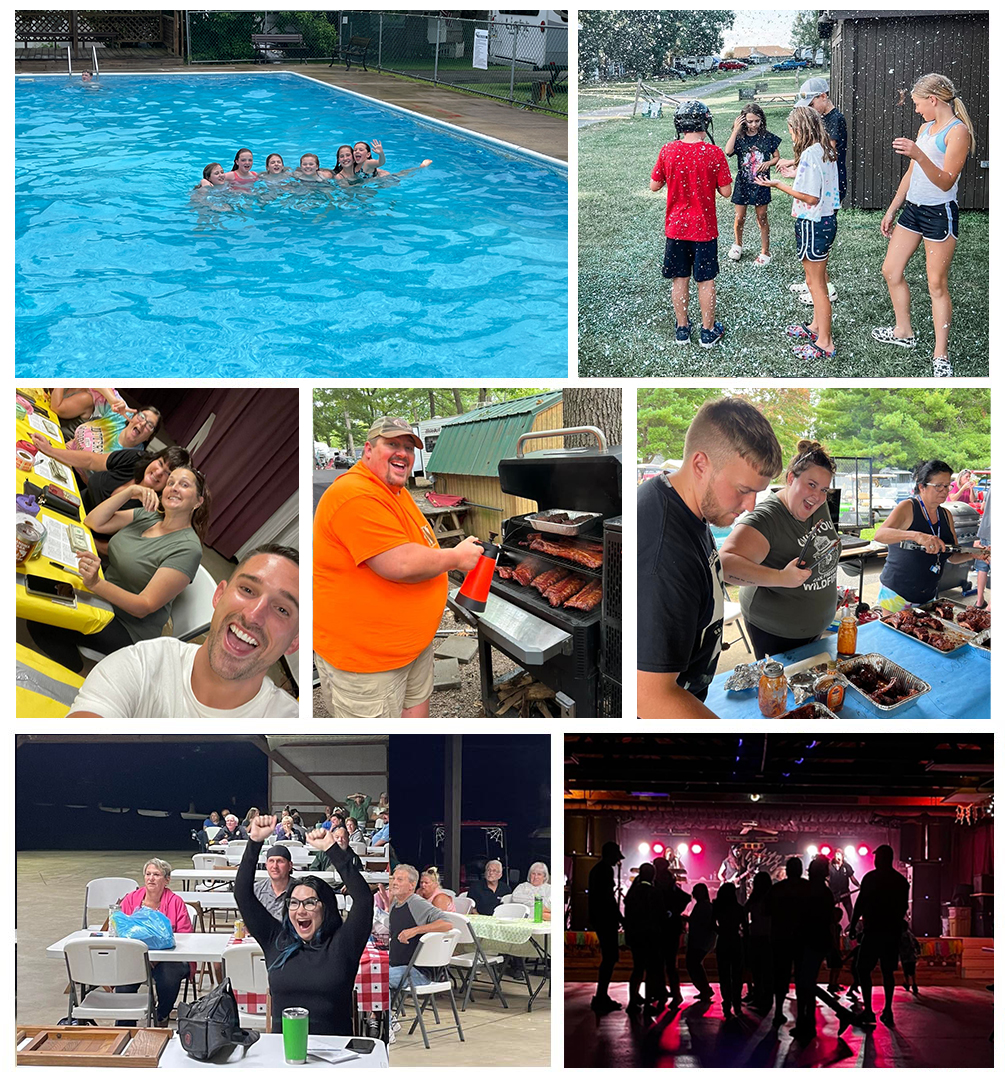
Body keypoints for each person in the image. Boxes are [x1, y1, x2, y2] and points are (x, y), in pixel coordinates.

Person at [314, 416, 483, 717]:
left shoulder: (396, 492)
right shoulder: (353, 494)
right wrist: (456, 557)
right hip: (369, 665)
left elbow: (418, 546)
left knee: (410, 744)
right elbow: (399, 562)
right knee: (378, 754)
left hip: (410, 648)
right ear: (368, 450)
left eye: (408, 447)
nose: (403, 453)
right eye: (392, 444)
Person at [638, 397, 782, 718]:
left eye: (758, 492)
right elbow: (648, 696)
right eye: (744, 489)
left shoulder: (690, 506)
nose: (750, 505)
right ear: (701, 464)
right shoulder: (662, 554)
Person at [67, 545, 300, 718]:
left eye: (282, 609)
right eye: (248, 589)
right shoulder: (142, 665)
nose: (253, 616)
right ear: (219, 595)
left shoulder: (291, 732)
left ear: (295, 640)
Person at [28, 465, 208, 671]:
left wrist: (96, 584)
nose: (174, 488)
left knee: (42, 621)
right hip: (102, 596)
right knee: (40, 591)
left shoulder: (188, 549)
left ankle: (72, 674)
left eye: (184, 485)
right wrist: (130, 491)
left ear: (198, 501)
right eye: (170, 483)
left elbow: (144, 606)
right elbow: (93, 521)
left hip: (128, 627)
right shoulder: (149, 516)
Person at [871, 73, 976, 377]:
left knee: (936, 284)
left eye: (918, 103)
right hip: (913, 211)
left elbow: (945, 182)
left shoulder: (958, 133)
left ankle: (940, 355)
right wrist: (893, 208)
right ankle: (903, 331)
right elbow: (911, 174)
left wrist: (918, 153)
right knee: (890, 270)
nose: (916, 109)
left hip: (939, 213)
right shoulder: (926, 127)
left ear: (933, 100)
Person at [235, 815, 372, 1035]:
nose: (300, 910)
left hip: (335, 1055)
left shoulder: (343, 944)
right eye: (294, 903)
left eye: (310, 903)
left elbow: (364, 900)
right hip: (284, 1052)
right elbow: (242, 894)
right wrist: (254, 843)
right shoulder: (276, 941)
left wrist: (331, 848)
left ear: (325, 907)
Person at [720, 439, 839, 659]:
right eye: (811, 484)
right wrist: (782, 578)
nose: (818, 496)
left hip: (814, 630)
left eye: (824, 489)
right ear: (791, 477)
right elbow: (725, 563)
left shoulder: (818, 506)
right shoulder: (767, 518)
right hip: (775, 633)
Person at [755, 106, 840, 361]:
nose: (790, 134)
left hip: (812, 222)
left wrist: (779, 184)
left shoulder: (812, 154)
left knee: (816, 285)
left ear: (799, 129)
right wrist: (796, 174)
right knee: (816, 281)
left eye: (791, 129)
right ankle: (816, 326)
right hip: (825, 221)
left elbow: (811, 197)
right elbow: (820, 184)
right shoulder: (824, 149)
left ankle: (825, 342)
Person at [649, 100, 733, 347]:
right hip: (704, 230)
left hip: (676, 229)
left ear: (679, 124)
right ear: (705, 123)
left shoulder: (668, 150)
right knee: (705, 281)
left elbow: (654, 186)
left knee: (680, 279)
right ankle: (708, 332)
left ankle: (682, 329)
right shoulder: (714, 153)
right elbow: (726, 191)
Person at [874, 460, 985, 611]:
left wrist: (973, 554)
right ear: (922, 487)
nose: (945, 491)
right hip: (897, 593)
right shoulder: (908, 507)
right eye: (938, 486)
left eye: (947, 486)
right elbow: (880, 534)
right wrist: (917, 536)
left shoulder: (946, 515)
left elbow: (951, 555)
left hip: (928, 594)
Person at [785, 76, 847, 306]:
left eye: (811, 105)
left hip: (830, 189)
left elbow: (825, 154)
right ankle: (813, 280)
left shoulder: (835, 119)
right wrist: (796, 167)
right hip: (825, 186)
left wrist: (794, 174)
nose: (811, 111)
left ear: (823, 96)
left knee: (819, 240)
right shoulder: (822, 122)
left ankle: (823, 287)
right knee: (817, 245)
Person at [114, 858, 192, 1028]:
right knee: (125, 977)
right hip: (137, 958)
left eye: (156, 875)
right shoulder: (131, 899)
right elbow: (120, 931)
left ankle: (161, 1015)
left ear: (167, 880)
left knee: (168, 974)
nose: (151, 878)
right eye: (148, 874)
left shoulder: (175, 902)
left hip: (170, 959)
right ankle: (124, 1025)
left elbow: (186, 937)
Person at [849, 844, 909, 1028]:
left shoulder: (871, 878)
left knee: (862, 968)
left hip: (873, 930)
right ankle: (888, 1010)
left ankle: (868, 1010)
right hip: (891, 931)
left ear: (880, 858)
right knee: (887, 972)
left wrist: (853, 925)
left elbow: (860, 903)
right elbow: (903, 908)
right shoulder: (900, 881)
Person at [724, 104, 781, 266]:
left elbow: (777, 157)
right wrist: (735, 130)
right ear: (743, 121)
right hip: (743, 184)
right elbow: (728, 151)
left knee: (762, 217)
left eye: (757, 121)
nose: (754, 124)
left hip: (761, 183)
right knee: (739, 217)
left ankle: (765, 251)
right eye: (749, 121)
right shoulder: (740, 138)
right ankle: (737, 245)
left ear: (762, 120)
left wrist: (768, 163)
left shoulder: (768, 137)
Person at [34, 402, 161, 472]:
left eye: (150, 425)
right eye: (142, 416)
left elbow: (97, 484)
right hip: (58, 447)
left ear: (149, 437)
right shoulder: (118, 416)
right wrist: (112, 399)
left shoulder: (134, 459)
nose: (143, 423)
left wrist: (76, 464)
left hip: (70, 476)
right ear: (133, 416)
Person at [387, 864, 453, 992]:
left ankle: (386, 1013)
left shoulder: (416, 902)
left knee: (380, 979)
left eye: (400, 880)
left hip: (416, 971)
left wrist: (415, 930)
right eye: (393, 878)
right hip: (396, 966)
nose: (394, 882)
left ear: (412, 885)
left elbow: (447, 923)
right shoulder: (395, 903)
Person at [83, 446, 191, 516]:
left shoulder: (151, 511)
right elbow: (91, 461)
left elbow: (112, 546)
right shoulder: (134, 459)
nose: (158, 472)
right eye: (160, 463)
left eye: (168, 473)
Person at [767, 856, 810, 1029]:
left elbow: (766, 910)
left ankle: (778, 1013)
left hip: (780, 937)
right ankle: (802, 1015)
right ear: (800, 870)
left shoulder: (777, 888)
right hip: (802, 938)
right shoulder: (807, 888)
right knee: (802, 977)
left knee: (780, 976)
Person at [588, 841, 624, 1014]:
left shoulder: (597, 869)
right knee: (609, 958)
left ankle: (601, 995)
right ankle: (601, 996)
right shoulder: (605, 870)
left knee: (609, 958)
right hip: (605, 919)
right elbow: (608, 899)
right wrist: (621, 919)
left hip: (600, 919)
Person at [623, 863, 662, 1012]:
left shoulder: (633, 894)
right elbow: (660, 914)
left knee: (637, 969)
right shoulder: (655, 893)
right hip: (651, 935)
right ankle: (648, 1005)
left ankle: (633, 1002)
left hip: (636, 935)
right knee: (650, 970)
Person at [653, 856, 688, 1007]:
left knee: (665, 963)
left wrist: (672, 912)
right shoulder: (666, 880)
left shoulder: (663, 881)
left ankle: (671, 994)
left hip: (665, 927)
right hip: (667, 927)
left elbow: (684, 897)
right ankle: (670, 994)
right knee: (666, 964)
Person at [713, 883, 747, 1018]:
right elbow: (745, 926)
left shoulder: (718, 908)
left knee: (724, 974)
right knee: (737, 974)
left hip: (723, 941)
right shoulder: (738, 908)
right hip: (735, 940)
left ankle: (726, 1003)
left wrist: (721, 930)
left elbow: (712, 924)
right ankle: (737, 1004)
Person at [745, 871, 773, 1013]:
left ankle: (758, 996)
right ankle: (766, 998)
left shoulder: (754, 898)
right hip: (768, 935)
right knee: (767, 969)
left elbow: (744, 911)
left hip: (755, 934)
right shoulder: (771, 897)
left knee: (756, 968)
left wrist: (745, 927)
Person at [684, 882, 716, 1000]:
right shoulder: (706, 905)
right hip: (703, 941)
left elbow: (699, 922)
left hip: (700, 940)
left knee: (693, 964)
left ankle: (705, 989)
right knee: (695, 964)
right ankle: (704, 989)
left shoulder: (703, 906)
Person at [253, 844, 294, 920]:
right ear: (266, 865)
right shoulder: (256, 890)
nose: (275, 866)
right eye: (271, 861)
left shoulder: (299, 890)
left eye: (280, 861)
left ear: (290, 865)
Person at [828, 849, 860, 926]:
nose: (838, 856)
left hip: (845, 892)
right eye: (836, 854)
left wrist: (859, 886)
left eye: (839, 854)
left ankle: (853, 928)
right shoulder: (829, 866)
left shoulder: (846, 866)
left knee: (851, 912)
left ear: (843, 856)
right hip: (833, 894)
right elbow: (826, 880)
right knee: (829, 913)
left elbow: (852, 878)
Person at [975, 489, 991, 608]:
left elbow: (983, 506)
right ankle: (991, 607)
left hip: (985, 530)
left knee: (982, 567)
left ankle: (979, 601)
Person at [899, 919, 920, 995]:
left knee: (906, 971)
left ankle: (907, 984)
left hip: (905, 956)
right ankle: (914, 984)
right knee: (912, 971)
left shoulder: (901, 935)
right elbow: (916, 943)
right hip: (912, 955)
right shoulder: (910, 934)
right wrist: (918, 952)